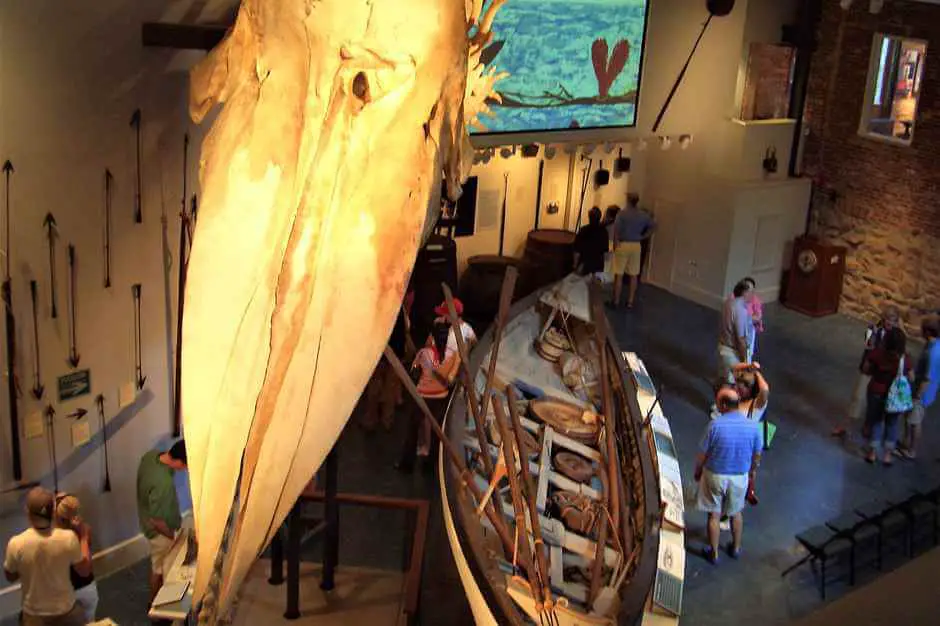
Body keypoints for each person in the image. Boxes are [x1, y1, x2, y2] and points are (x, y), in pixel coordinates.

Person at [3, 487, 91, 626]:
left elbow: (10, 576)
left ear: (28, 512)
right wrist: (84, 536)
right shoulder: (68, 538)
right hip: (66, 611)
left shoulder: (16, 543)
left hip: (34, 616)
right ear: (53, 512)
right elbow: (84, 570)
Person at [694, 388, 763, 563]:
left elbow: (702, 454)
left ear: (723, 405)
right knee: (736, 513)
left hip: (714, 475)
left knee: (714, 515)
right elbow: (757, 455)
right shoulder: (754, 426)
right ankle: (736, 548)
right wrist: (752, 471)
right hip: (739, 477)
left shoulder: (715, 425)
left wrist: (698, 470)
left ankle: (714, 553)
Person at [832, 306, 900, 438]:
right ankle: (846, 425)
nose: (889, 323)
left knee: (876, 403)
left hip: (883, 374)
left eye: (893, 320)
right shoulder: (873, 329)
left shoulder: (896, 336)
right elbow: (868, 345)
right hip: (869, 368)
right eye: (887, 319)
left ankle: (869, 427)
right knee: (858, 397)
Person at [396, 320, 454, 473]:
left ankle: (407, 465)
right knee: (437, 432)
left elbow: (414, 372)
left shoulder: (423, 353)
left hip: (422, 396)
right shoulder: (451, 354)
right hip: (441, 396)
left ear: (433, 337)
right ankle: (429, 466)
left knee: (413, 429)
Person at [137, 439, 187, 601]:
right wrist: (172, 536)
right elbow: (157, 520)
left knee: (157, 565)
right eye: (185, 465)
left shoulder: (150, 456)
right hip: (160, 533)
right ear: (179, 461)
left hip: (145, 519)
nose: (185, 469)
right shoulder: (163, 484)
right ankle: (157, 605)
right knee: (161, 570)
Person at [862, 327, 911, 465]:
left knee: (876, 421)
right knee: (892, 424)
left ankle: (872, 453)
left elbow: (866, 370)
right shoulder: (905, 359)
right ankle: (887, 455)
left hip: (876, 391)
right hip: (895, 397)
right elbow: (911, 377)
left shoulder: (877, 354)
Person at [898, 315, 940, 459]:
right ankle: (905, 442)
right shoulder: (933, 345)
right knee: (909, 417)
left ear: (928, 332)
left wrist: (917, 396)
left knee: (915, 421)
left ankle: (911, 451)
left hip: (922, 394)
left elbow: (927, 379)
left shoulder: (933, 353)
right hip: (920, 390)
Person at [54, 494, 98, 623]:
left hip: (65, 592)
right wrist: (84, 537)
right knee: (90, 620)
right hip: (86, 589)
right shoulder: (84, 530)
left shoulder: (52, 538)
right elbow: (86, 568)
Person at [610, 193, 656, 309]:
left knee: (619, 274)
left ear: (628, 200)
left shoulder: (623, 213)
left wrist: (615, 244)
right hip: (636, 245)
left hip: (623, 243)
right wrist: (644, 236)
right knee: (634, 275)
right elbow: (654, 226)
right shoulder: (643, 215)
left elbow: (617, 230)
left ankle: (616, 301)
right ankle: (630, 302)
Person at [717, 280, 753, 389]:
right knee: (729, 383)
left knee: (723, 378)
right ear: (744, 292)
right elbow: (740, 338)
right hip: (732, 352)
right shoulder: (740, 310)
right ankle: (720, 405)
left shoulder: (728, 303)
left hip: (722, 347)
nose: (752, 295)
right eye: (751, 291)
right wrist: (745, 359)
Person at [573, 207, 609, 277]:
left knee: (580, 286)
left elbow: (577, 250)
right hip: (598, 266)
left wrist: (575, 265)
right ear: (600, 217)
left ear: (589, 217)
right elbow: (605, 252)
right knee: (593, 286)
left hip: (584, 265)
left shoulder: (583, 230)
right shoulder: (604, 232)